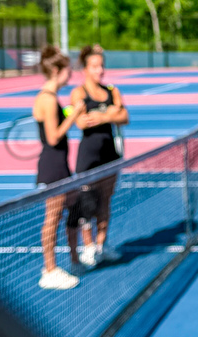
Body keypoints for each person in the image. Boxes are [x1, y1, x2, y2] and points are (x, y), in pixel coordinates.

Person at [68, 44, 129, 267]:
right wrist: (110, 112)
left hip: (110, 154)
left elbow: (124, 115)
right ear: (85, 69)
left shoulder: (112, 91)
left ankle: (102, 245)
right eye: (94, 66)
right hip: (88, 156)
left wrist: (103, 116)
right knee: (86, 202)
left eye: (101, 66)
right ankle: (88, 247)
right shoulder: (79, 93)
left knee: (105, 200)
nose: (99, 70)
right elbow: (82, 120)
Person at [33, 45, 85, 289]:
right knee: (52, 217)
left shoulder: (52, 99)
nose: (70, 75)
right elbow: (53, 138)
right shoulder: (47, 99)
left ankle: (74, 259)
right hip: (52, 167)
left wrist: (69, 112)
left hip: (61, 164)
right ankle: (50, 269)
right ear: (56, 71)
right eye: (67, 70)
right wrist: (74, 116)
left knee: (74, 205)